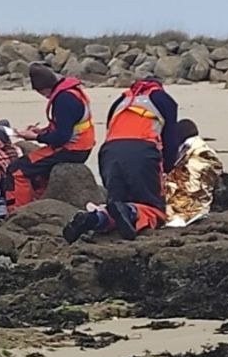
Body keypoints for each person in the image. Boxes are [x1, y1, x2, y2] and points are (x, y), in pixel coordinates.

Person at [62, 76, 178, 243]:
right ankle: (129, 211)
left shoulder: (121, 100)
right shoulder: (163, 99)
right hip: (141, 151)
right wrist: (167, 169)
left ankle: (95, 219)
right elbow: (171, 141)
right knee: (154, 209)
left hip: (110, 152)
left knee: (116, 204)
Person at [6, 63, 95, 209]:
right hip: (84, 145)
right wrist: (42, 131)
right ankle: (40, 201)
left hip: (72, 149)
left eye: (41, 93)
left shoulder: (63, 99)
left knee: (16, 169)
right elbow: (67, 125)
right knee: (39, 171)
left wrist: (35, 138)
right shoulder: (72, 91)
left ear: (44, 89)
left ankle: (17, 211)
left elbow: (62, 137)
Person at [165, 119, 223, 225]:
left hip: (189, 209)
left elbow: (192, 188)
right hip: (198, 202)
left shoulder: (199, 154)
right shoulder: (200, 150)